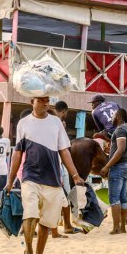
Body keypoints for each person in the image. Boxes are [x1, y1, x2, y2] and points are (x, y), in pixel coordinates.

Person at [5, 97, 85, 254]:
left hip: (52, 179)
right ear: (32, 101)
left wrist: (75, 175)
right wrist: (10, 180)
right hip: (30, 176)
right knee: (30, 214)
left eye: (47, 100)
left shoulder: (56, 122)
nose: (45, 103)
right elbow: (18, 154)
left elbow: (64, 151)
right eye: (41, 100)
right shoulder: (23, 123)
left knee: (46, 223)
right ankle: (28, 251)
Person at [99, 108, 127, 234]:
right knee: (123, 198)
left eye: (113, 115)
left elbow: (120, 149)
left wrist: (107, 166)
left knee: (114, 198)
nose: (111, 118)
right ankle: (123, 227)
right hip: (126, 166)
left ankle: (116, 228)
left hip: (118, 167)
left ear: (118, 117)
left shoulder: (119, 130)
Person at [48, 100, 78, 237]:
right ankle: (64, 225)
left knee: (56, 196)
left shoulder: (51, 121)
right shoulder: (57, 122)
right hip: (57, 163)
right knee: (63, 195)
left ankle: (60, 225)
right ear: (64, 111)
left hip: (52, 164)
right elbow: (64, 147)